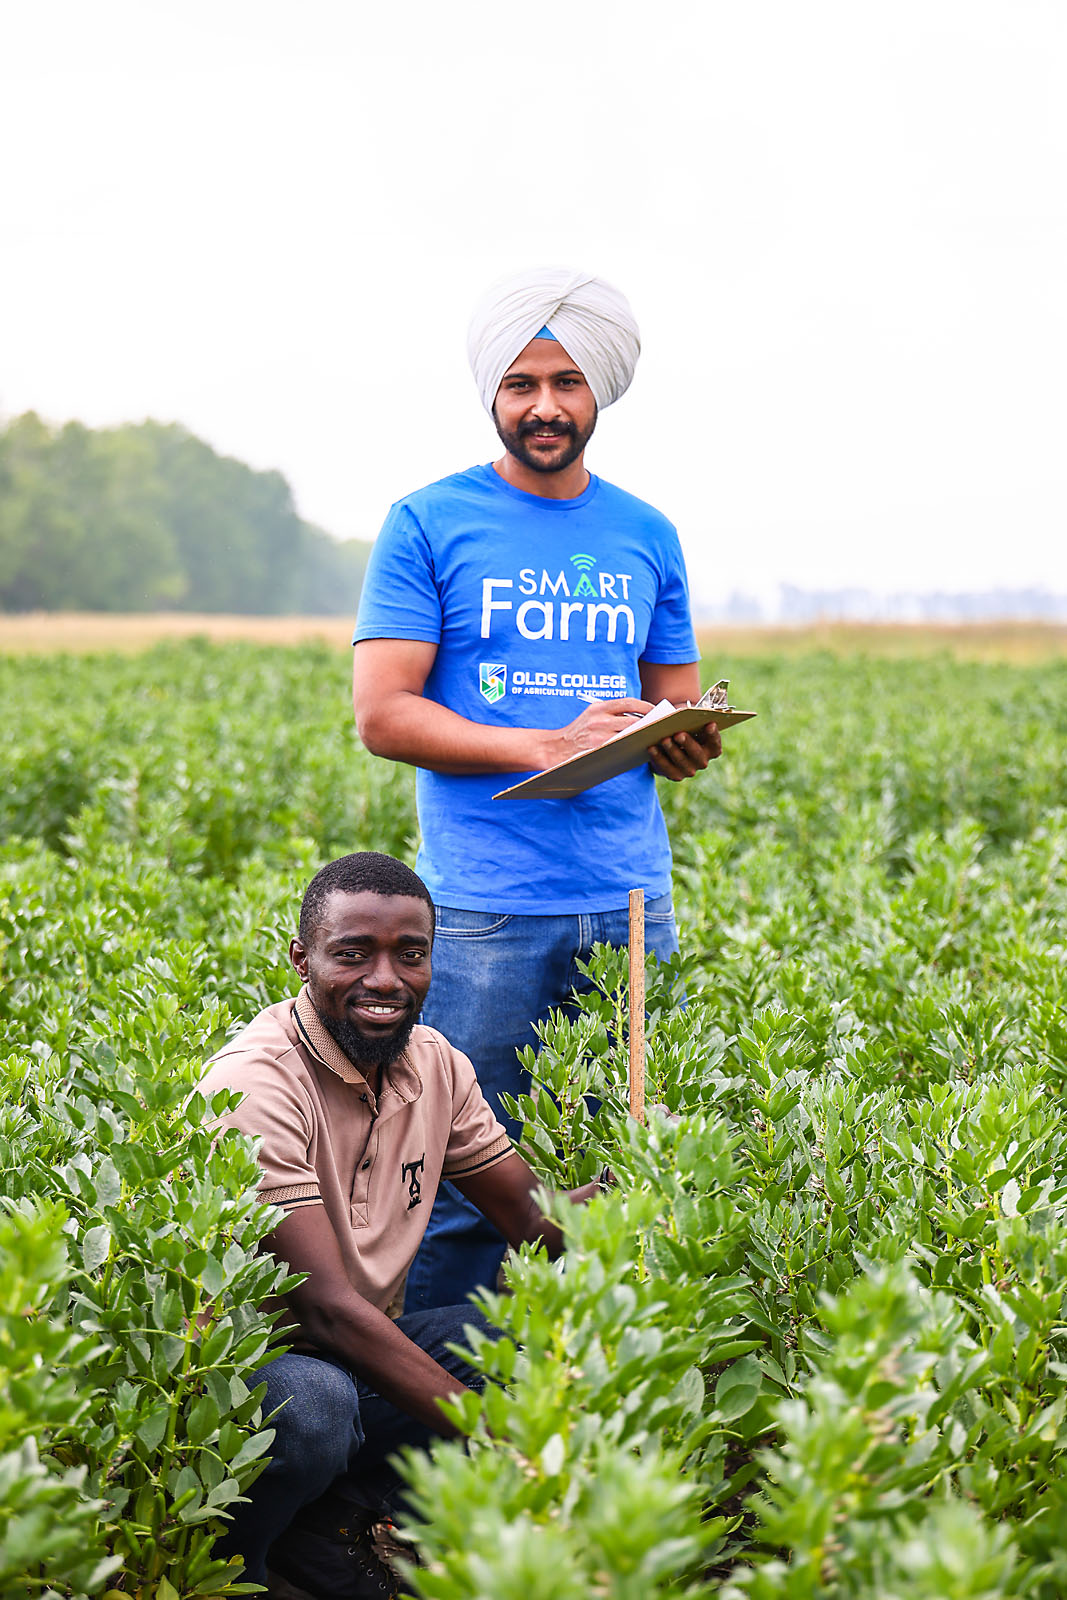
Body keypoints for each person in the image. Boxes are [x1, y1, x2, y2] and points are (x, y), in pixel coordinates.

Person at [352, 267, 721, 1314]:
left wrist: (684, 740)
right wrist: (544, 743)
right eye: (521, 384)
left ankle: (600, 1389)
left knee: (632, 1166)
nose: (544, 406)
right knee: (468, 1181)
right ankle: (442, 1404)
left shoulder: (645, 533)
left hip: (630, 900)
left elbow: (673, 699)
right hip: (485, 911)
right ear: (492, 393)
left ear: (599, 390)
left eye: (565, 383)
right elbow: (383, 714)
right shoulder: (427, 522)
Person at [200, 851, 602, 1598]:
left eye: (410, 955)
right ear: (302, 959)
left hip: (356, 1353)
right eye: (353, 955)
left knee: (527, 1341)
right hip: (248, 1374)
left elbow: (529, 1219)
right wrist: (491, 1429)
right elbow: (324, 1309)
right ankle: (232, 1571)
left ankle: (324, 1529)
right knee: (316, 1410)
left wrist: (636, 1183)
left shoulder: (435, 1063)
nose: (385, 980)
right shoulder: (255, 1082)